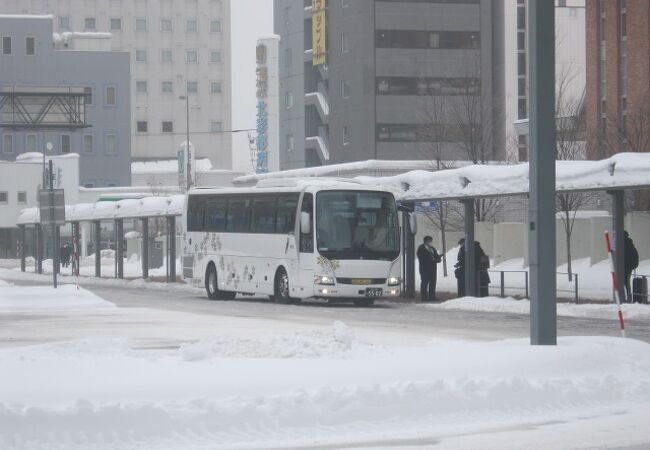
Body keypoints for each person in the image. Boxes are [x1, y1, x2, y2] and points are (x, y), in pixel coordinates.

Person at [417, 236, 441, 302]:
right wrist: (431, 260)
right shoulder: (421, 248)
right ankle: (424, 297)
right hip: (425, 269)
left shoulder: (432, 248)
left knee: (433, 282)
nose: (431, 242)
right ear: (425, 241)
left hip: (433, 269)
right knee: (424, 282)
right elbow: (421, 259)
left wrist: (438, 259)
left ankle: (432, 296)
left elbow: (435, 256)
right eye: (429, 241)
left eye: (431, 241)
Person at [623, 231, 639, 303]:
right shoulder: (630, 244)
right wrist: (634, 266)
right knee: (626, 283)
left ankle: (625, 298)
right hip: (628, 267)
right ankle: (628, 299)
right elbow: (635, 255)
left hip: (624, 267)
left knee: (623, 283)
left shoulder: (623, 244)